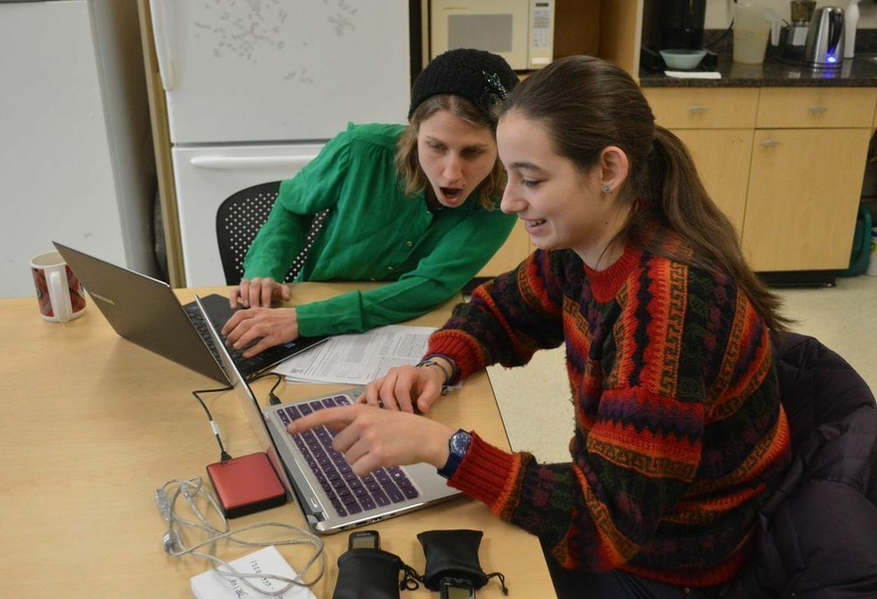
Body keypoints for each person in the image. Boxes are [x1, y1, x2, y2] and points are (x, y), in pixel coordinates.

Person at [286, 55, 794, 598]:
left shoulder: (668, 303)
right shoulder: (587, 242)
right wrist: (438, 364)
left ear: (608, 171)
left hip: (672, 561)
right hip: (619, 510)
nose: (508, 201)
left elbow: (606, 530)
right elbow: (501, 310)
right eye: (510, 176)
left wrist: (446, 449)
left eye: (530, 179)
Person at [222, 48, 519, 358]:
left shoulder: (503, 197)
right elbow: (292, 207)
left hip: (406, 325)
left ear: (501, 146)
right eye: (435, 146)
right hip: (303, 315)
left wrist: (309, 319)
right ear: (414, 133)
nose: (451, 173)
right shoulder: (358, 150)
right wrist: (263, 270)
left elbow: (429, 285)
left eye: (472, 153)